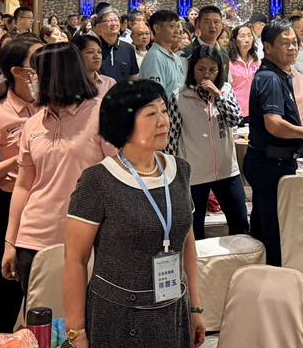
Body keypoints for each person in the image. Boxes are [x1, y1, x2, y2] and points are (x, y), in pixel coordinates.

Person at [64, 80, 206, 348]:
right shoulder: (98, 180)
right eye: (151, 114)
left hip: (173, 309)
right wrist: (76, 331)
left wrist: (195, 308)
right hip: (117, 315)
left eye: (164, 111)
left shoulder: (180, 171)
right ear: (124, 124)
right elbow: (75, 259)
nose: (163, 121)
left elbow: (187, 243)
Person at [2, 43, 114, 292]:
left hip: (88, 239)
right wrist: (11, 242)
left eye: (36, 74)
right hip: (33, 238)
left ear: (55, 76)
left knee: (84, 314)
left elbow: (118, 176)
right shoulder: (33, 124)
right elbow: (23, 186)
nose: (32, 80)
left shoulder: (101, 114)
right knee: (41, 314)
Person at [0, 35, 44, 333]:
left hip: (47, 207)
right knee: (6, 295)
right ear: (17, 71)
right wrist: (18, 160)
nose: (43, 69)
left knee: (47, 294)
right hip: (10, 204)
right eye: (36, 63)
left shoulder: (51, 107)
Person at [242, 19, 303, 267]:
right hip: (271, 164)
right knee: (274, 231)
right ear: (268, 47)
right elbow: (274, 124)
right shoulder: (270, 78)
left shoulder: (280, 75)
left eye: (295, 43)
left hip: (270, 161)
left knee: (265, 226)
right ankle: (274, 276)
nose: (292, 48)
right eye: (285, 43)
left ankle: (263, 274)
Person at [176, 45, 247, 239]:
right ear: (192, 70)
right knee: (194, 230)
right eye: (201, 69)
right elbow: (172, 138)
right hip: (195, 174)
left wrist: (218, 95)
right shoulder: (179, 96)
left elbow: (235, 119)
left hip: (226, 169)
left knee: (240, 223)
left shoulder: (226, 91)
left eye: (212, 70)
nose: (206, 74)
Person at [139, 11, 186, 140]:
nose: (177, 30)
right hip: (163, 121)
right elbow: (155, 96)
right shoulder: (154, 57)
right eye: (172, 26)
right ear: (157, 28)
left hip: (178, 119)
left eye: (178, 26)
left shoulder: (176, 58)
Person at [93, 6, 139, 84]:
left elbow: (133, 77)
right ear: (99, 26)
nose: (114, 24)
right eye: (109, 21)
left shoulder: (129, 48)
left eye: (116, 20)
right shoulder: (94, 48)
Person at [229, 24, 260, 119]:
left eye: (249, 35)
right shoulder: (229, 61)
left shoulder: (256, 60)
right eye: (242, 36)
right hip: (235, 110)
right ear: (235, 40)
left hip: (254, 109)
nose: (247, 40)